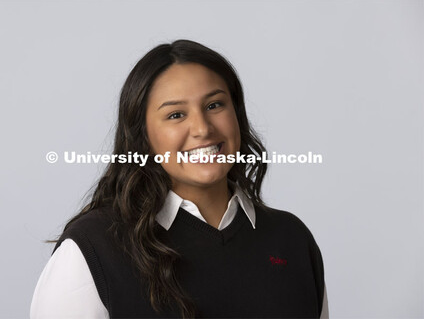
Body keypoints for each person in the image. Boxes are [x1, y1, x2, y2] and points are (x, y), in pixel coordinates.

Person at [30, 39, 329, 318]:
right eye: (176, 115)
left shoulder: (292, 239)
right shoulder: (91, 249)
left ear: (237, 113)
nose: (202, 128)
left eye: (214, 105)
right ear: (143, 137)